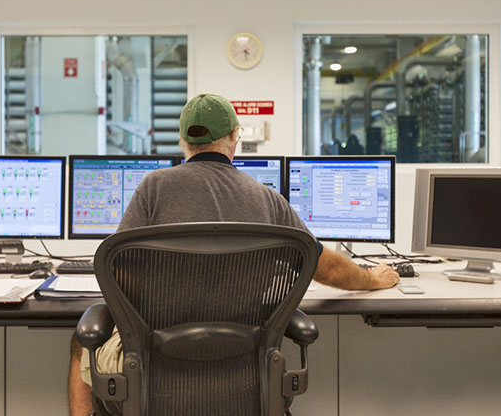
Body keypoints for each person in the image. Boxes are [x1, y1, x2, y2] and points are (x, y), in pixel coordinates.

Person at [68, 93, 399, 416]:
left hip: (153, 383)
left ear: (183, 140)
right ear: (234, 138)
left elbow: (118, 273)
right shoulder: (268, 200)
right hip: (248, 385)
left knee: (82, 339)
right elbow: (328, 269)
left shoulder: (153, 188)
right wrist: (371, 279)